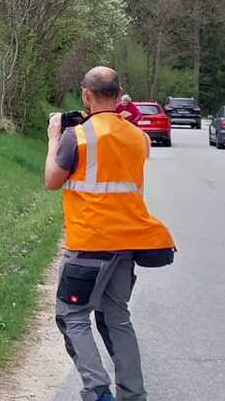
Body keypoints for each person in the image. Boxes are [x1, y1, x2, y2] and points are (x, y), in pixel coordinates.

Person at [44, 67, 176, 401]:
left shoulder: (79, 136)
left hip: (89, 244)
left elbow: (52, 180)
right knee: (116, 318)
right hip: (127, 245)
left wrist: (53, 139)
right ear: (119, 96)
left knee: (71, 316)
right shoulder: (138, 137)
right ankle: (133, 395)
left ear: (85, 94)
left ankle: (97, 391)